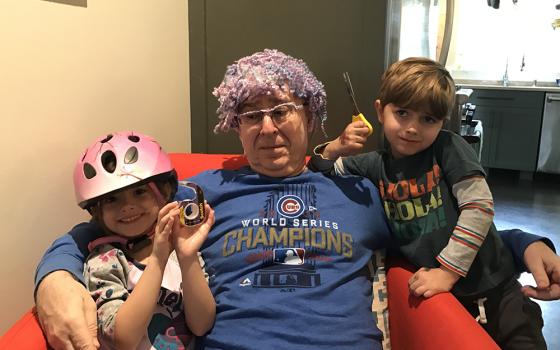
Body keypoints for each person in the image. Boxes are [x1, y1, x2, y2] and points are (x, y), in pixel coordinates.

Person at [33, 50, 560, 350]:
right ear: (234, 128)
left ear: (309, 117)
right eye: (250, 116)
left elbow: (432, 222)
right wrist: (53, 272)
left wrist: (520, 243)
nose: (267, 128)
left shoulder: (359, 186)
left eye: (282, 110)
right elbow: (111, 222)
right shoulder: (202, 190)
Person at [308, 57, 548, 348]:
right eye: (402, 113)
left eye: (428, 119)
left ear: (442, 123)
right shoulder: (375, 165)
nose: (412, 128)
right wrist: (337, 146)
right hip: (450, 298)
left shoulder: (448, 148)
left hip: (497, 291)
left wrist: (448, 271)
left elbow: (479, 208)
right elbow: (322, 168)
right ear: (380, 111)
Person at [73, 131, 215, 349]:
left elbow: (202, 325)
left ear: (164, 193)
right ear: (96, 210)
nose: (127, 206)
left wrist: (187, 258)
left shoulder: (181, 250)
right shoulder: (105, 261)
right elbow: (124, 339)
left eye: (139, 192)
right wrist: (158, 260)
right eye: (112, 199)